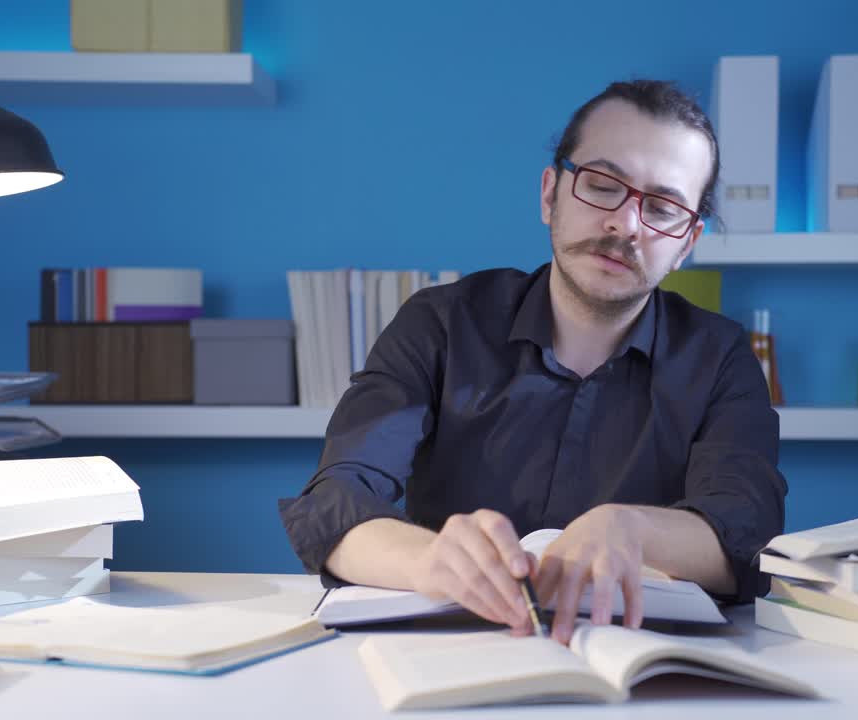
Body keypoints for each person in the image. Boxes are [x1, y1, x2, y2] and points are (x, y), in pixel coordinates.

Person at [280, 79, 786, 644]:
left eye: (663, 209)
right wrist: (430, 560)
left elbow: (747, 535)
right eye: (602, 186)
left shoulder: (721, 358)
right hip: (453, 652)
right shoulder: (439, 323)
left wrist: (633, 528)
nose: (625, 225)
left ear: (686, 243)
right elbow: (335, 501)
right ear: (550, 195)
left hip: (637, 660)